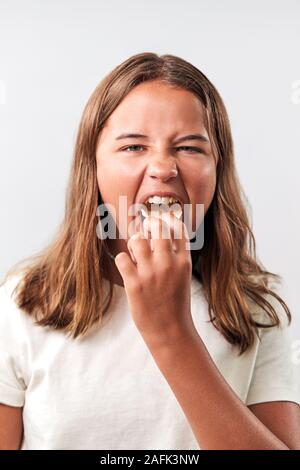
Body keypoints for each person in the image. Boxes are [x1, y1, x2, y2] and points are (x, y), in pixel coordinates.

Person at [0, 52, 299, 450]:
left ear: (217, 169)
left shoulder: (255, 311)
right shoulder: (23, 303)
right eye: (133, 147)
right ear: (93, 167)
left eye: (191, 148)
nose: (163, 167)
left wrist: (171, 333)